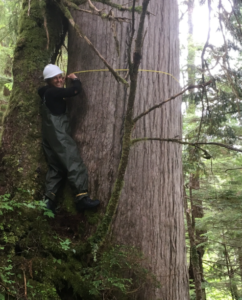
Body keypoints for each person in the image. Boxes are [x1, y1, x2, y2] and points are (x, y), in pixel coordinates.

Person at [38, 64, 100, 213]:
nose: (59, 80)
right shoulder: (53, 93)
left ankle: (48, 202)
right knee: (73, 161)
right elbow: (74, 91)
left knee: (57, 167)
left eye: (60, 77)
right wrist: (75, 80)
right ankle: (81, 198)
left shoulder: (45, 91)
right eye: (55, 79)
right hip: (58, 134)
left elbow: (47, 90)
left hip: (48, 136)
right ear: (48, 80)